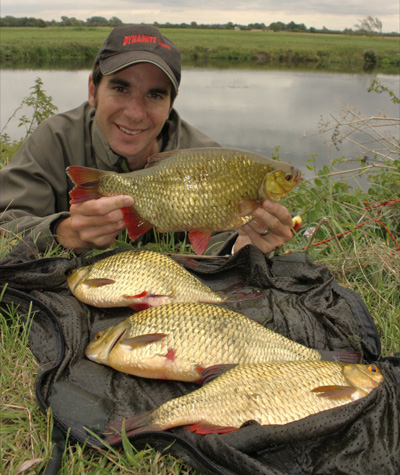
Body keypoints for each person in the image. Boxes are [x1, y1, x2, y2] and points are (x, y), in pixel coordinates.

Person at [0, 24, 294, 256]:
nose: (135, 113)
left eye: (155, 95)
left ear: (171, 104)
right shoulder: (55, 139)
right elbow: (6, 225)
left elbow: (220, 241)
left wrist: (242, 248)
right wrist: (64, 232)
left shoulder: (207, 160)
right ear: (93, 90)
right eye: (120, 88)